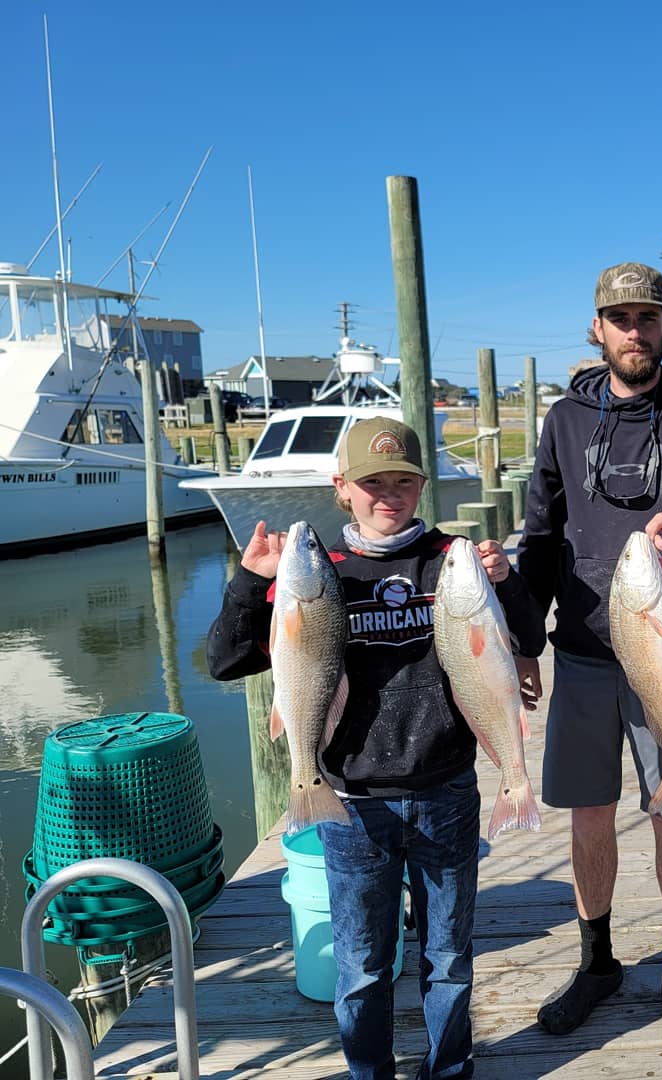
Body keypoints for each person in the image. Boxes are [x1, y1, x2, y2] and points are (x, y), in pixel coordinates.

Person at [207, 416, 546, 1080]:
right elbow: (223, 661)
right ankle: (370, 1073)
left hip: (446, 789)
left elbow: (527, 635)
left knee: (448, 957)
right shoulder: (319, 569)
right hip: (352, 803)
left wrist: (506, 579)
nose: (387, 495)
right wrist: (252, 582)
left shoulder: (453, 559)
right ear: (342, 489)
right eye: (371, 484)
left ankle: (449, 1068)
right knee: (361, 966)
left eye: (402, 482)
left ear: (421, 485)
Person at [515, 262, 662, 1049]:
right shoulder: (562, 421)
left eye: (649, 318)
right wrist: (521, 640)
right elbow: (539, 537)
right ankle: (598, 961)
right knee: (588, 815)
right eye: (621, 319)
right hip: (579, 652)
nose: (636, 332)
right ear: (597, 329)